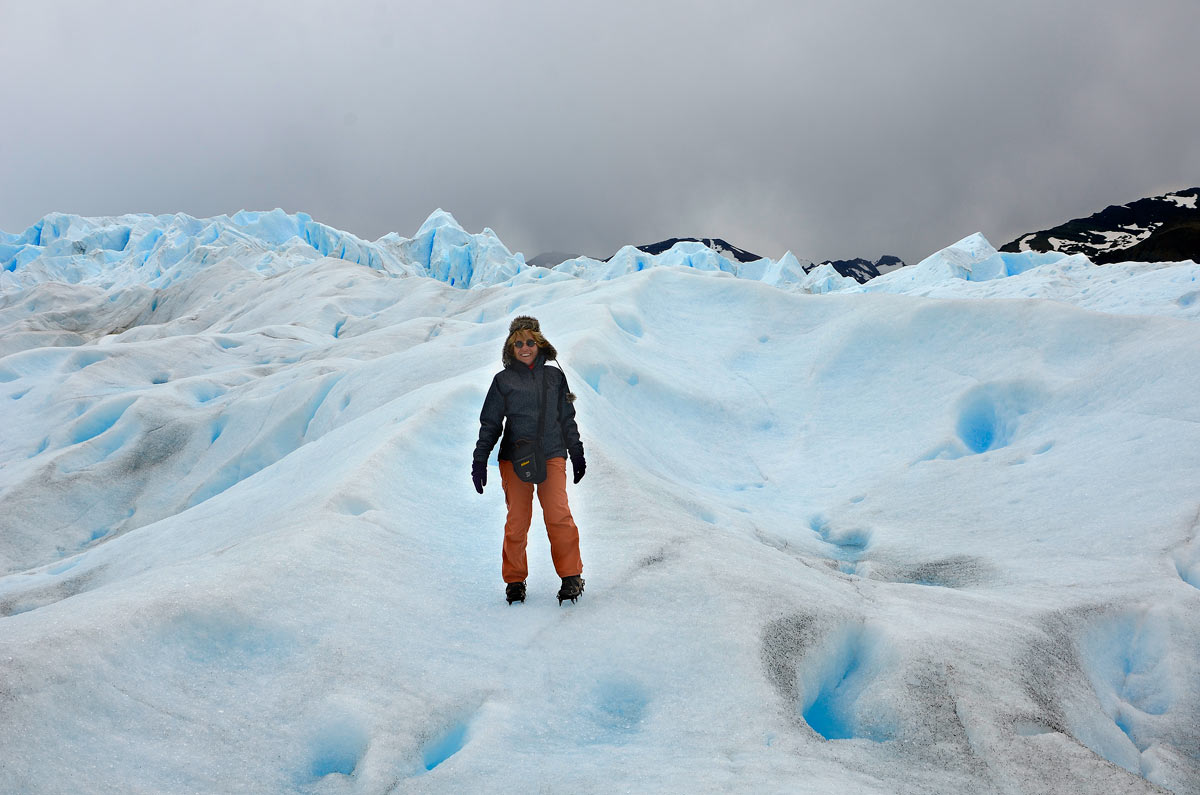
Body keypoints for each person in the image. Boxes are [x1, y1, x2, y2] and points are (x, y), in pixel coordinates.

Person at [472, 316, 587, 605]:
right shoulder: (503, 381)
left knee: (559, 515)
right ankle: (514, 581)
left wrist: (577, 452)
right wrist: (479, 459)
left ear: (539, 343)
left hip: (552, 453)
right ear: (510, 347)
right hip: (514, 458)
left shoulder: (554, 377)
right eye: (518, 343)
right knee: (517, 521)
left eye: (530, 342)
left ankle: (571, 576)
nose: (525, 347)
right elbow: (490, 424)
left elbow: (566, 419)